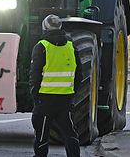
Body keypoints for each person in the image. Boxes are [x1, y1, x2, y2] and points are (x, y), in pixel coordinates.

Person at [29, 14, 82, 157]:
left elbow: (35, 75)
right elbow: (79, 73)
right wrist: (72, 92)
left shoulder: (41, 47)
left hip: (45, 100)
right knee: (70, 134)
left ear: (44, 28)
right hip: (65, 99)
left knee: (41, 136)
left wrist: (35, 95)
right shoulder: (71, 46)